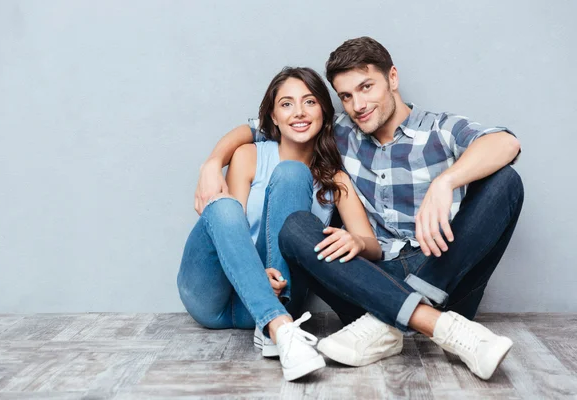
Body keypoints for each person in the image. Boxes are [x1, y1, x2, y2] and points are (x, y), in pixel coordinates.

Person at [193, 37, 524, 380]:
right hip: (371, 279)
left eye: (366, 87)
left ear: (392, 78)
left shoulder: (439, 129)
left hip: (444, 271)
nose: (358, 104)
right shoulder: (339, 130)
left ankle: (394, 322)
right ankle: (435, 325)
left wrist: (446, 182)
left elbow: (506, 142)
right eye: (346, 97)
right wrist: (213, 161)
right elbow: (260, 126)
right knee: (295, 228)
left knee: (507, 182)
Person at [178, 66, 383, 381]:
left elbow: (373, 247)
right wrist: (213, 163)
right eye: (286, 104)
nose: (298, 112)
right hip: (215, 292)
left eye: (310, 102)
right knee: (222, 208)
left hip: (283, 295)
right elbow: (231, 230)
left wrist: (355, 241)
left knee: (293, 173)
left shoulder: (335, 178)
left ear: (325, 113)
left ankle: (276, 327)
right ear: (272, 117)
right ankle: (276, 326)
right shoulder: (248, 155)